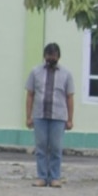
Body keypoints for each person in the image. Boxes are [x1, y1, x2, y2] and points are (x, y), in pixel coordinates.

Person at [25, 43, 74, 188]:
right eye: (48, 56)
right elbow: (30, 95)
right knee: (40, 147)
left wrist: (70, 119)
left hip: (58, 116)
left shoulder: (66, 74)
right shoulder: (35, 72)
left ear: (58, 57)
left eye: (53, 57)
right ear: (44, 56)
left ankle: (55, 177)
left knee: (56, 148)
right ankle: (41, 177)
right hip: (39, 115)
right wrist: (28, 116)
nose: (51, 59)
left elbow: (70, 97)